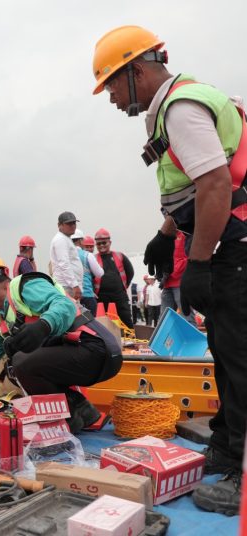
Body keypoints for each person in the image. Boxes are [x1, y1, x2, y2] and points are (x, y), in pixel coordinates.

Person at [93, 24, 247, 512]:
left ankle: (241, 470)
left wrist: (198, 262)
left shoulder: (179, 109)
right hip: (228, 241)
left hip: (236, 243)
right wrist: (166, 234)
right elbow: (193, 178)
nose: (113, 98)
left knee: (239, 355)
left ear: (137, 71)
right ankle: (227, 444)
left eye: (113, 85)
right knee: (226, 348)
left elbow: (218, 185)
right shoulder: (173, 108)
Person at [0, 253, 121, 433]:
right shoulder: (2, 323)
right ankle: (81, 410)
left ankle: (66, 418)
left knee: (22, 363)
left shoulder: (24, 286)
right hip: (86, 356)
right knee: (16, 362)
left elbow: (65, 305)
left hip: (97, 348)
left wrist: (43, 326)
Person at [92, 228, 134, 328]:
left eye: (104, 243)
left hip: (119, 296)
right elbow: (90, 277)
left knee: (126, 319)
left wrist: (123, 286)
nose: (101, 246)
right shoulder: (93, 259)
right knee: (103, 324)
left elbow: (130, 272)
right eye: (98, 244)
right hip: (101, 297)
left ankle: (131, 340)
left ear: (109, 242)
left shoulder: (120, 256)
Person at [160, 231, 196, 324]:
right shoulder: (166, 236)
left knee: (186, 316)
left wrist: (172, 270)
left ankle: (191, 338)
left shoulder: (186, 234)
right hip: (167, 284)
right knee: (164, 318)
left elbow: (192, 256)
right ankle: (165, 338)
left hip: (180, 283)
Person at [49, 212, 83, 300]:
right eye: (68, 223)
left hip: (68, 285)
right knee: (71, 312)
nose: (72, 226)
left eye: (74, 223)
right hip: (66, 286)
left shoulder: (65, 238)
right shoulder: (61, 239)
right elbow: (64, 264)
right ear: (59, 225)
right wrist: (74, 285)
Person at [72, 229, 104, 315]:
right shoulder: (87, 255)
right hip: (86, 295)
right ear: (80, 241)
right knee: (91, 325)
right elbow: (100, 273)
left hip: (69, 296)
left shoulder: (63, 255)